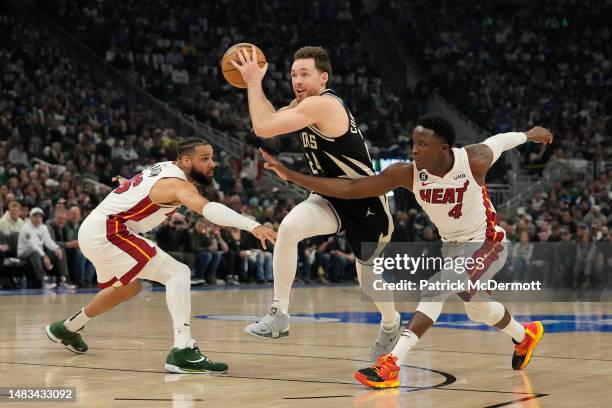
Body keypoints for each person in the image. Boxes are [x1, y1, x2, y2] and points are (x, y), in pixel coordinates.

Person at [260, 114, 553, 388]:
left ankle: (392, 365)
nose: (414, 150)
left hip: (488, 242)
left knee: (435, 288)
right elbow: (351, 189)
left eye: (422, 145)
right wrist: (290, 175)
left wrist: (529, 135)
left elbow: (500, 140)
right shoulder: (406, 174)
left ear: (444, 149)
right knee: (477, 310)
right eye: (413, 143)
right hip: (452, 248)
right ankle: (524, 334)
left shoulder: (474, 159)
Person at [45, 138, 277, 374]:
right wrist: (252, 225)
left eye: (212, 157)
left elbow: (142, 190)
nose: (212, 164)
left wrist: (130, 190)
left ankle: (67, 328)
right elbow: (208, 209)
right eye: (205, 158)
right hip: (110, 231)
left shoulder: (165, 167)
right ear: (186, 161)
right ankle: (183, 349)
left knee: (128, 289)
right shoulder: (177, 185)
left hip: (95, 229)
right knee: (178, 272)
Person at [231, 45, 400, 361]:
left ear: (324, 78)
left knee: (369, 280)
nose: (297, 79)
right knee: (289, 227)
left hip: (365, 202)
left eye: (305, 74)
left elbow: (263, 127)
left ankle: (391, 323)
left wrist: (253, 83)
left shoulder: (324, 105)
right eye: (294, 74)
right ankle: (279, 314)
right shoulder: (300, 107)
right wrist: (254, 84)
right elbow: (267, 120)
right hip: (329, 196)